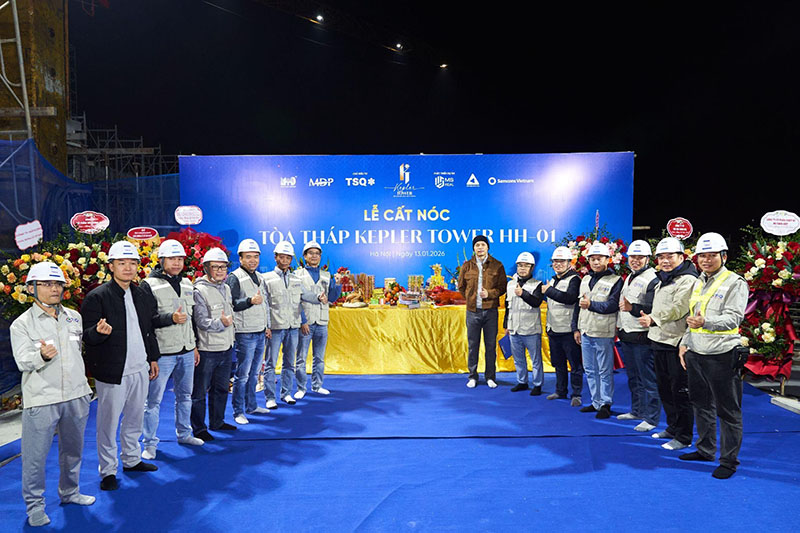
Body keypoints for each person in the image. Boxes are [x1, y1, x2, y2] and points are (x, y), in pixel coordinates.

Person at [10, 262, 95, 527]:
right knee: (35, 458)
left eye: (58, 284)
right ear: (31, 288)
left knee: (73, 451)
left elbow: (77, 352)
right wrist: (40, 356)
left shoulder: (73, 317)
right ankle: (35, 507)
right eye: (47, 284)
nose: (54, 289)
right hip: (42, 398)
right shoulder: (21, 324)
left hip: (76, 395)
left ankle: (70, 492)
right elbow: (22, 361)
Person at [81, 240, 160, 491]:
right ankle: (107, 471)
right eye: (122, 263)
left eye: (132, 263)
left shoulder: (142, 293)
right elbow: (86, 336)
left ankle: (132, 459)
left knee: (135, 418)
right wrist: (97, 332)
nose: (128, 268)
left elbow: (148, 329)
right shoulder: (97, 297)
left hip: (140, 367)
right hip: (112, 371)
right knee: (108, 423)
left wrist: (152, 358)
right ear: (111, 266)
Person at [678, 232, 748, 479]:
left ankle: (728, 461)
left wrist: (705, 322)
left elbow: (734, 318)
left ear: (724, 256)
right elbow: (692, 318)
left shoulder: (735, 282)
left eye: (712, 255)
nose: (706, 260)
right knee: (700, 404)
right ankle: (705, 449)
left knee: (728, 411)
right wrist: (685, 343)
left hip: (722, 354)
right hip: (696, 352)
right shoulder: (699, 281)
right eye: (702, 256)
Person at [140, 239, 204, 460]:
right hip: (163, 353)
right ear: (161, 260)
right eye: (172, 259)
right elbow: (146, 322)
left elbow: (191, 319)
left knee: (185, 396)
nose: (176, 263)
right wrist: (170, 318)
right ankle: (149, 443)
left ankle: (184, 434)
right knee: (152, 402)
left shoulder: (187, 283)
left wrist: (194, 346)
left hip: (186, 350)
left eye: (180, 259)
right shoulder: (149, 285)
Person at [637, 237, 698, 451]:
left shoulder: (688, 280)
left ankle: (684, 436)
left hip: (676, 343)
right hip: (658, 340)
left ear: (681, 257)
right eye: (661, 257)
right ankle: (672, 428)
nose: (665, 261)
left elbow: (679, 308)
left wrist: (653, 319)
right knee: (665, 389)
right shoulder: (663, 278)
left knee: (680, 391)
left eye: (670, 256)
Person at [192, 247, 238, 441]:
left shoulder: (226, 288)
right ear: (206, 268)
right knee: (199, 392)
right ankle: (199, 428)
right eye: (215, 267)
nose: (220, 271)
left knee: (221, 388)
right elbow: (201, 321)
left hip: (226, 348)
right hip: (207, 350)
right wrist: (222, 323)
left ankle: (217, 421)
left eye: (223, 267)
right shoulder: (199, 290)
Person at [617, 240, 661, 432]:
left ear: (648, 259)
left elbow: (653, 309)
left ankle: (651, 418)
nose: (635, 260)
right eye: (632, 257)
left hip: (643, 337)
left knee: (648, 379)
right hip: (628, 335)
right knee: (633, 377)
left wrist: (632, 308)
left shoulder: (653, 279)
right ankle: (637, 411)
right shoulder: (630, 276)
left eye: (640, 257)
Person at [575, 241, 622, 419]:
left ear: (608, 259)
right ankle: (595, 402)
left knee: (604, 370)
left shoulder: (615, 280)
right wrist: (576, 328)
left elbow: (612, 305)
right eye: (592, 259)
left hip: (603, 332)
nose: (595, 262)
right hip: (586, 330)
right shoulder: (585, 279)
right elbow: (578, 306)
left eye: (599, 258)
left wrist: (591, 305)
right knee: (590, 369)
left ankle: (606, 403)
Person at [226, 238, 271, 425]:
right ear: (241, 258)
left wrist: (267, 326)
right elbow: (231, 304)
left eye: (255, 257)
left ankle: (252, 405)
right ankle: (238, 411)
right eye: (248, 257)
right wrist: (249, 301)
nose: (253, 260)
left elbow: (265, 304)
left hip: (260, 331)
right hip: (245, 333)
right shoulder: (234, 277)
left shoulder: (260, 277)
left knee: (254, 373)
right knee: (242, 375)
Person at [457, 234, 507, 388]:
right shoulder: (467, 266)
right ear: (474, 248)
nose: (480, 248)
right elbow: (461, 286)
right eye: (477, 245)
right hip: (472, 312)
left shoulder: (497, 265)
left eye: (483, 245)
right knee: (473, 346)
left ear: (487, 247)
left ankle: (490, 377)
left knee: (490, 346)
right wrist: (470, 298)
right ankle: (472, 376)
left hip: (491, 311)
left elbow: (502, 287)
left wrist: (489, 294)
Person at [294, 241, 342, 398]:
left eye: (317, 253)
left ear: (320, 256)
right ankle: (301, 388)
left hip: (322, 321)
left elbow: (332, 298)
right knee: (301, 358)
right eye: (311, 253)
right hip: (306, 322)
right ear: (305, 256)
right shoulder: (297, 275)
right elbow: (295, 300)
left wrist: (338, 284)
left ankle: (317, 385)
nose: (314, 256)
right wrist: (302, 320)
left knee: (319, 358)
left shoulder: (326, 275)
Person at [262, 240, 306, 406]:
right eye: (282, 257)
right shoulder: (266, 278)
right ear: (275, 257)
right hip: (275, 328)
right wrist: (267, 325)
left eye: (288, 257)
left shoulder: (296, 279)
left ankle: (286, 393)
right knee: (271, 363)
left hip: (293, 327)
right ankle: (270, 398)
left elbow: (301, 301)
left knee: (289, 363)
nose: (285, 260)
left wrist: (303, 320)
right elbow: (265, 305)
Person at [542, 246, 583, 406]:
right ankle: (560, 391)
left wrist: (549, 291)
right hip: (554, 329)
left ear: (569, 263)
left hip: (568, 330)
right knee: (558, 363)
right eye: (555, 261)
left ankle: (576, 394)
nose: (558, 264)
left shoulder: (574, 280)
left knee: (575, 364)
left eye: (561, 261)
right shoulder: (553, 280)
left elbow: (570, 298)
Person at [503, 252, 545, 395]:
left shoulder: (537, 284)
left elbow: (536, 302)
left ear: (532, 268)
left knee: (535, 359)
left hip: (531, 329)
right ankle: (522, 381)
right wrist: (506, 326)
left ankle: (537, 384)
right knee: (518, 358)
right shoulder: (510, 284)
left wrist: (523, 294)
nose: (522, 268)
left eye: (526, 266)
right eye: (520, 265)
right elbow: (507, 307)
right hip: (514, 328)